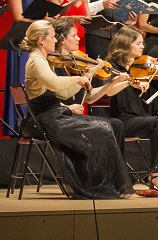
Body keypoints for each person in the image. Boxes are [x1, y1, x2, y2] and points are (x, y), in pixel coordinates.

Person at [21, 20, 133, 199]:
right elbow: (56, 83)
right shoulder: (36, 61)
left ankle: (106, 183)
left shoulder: (43, 60)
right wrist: (77, 79)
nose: (54, 40)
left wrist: (87, 75)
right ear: (41, 40)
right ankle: (96, 184)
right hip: (46, 120)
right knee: (102, 129)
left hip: (55, 115)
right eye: (52, 37)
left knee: (106, 126)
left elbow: (64, 93)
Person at [105, 26, 158, 190]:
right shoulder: (114, 67)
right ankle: (156, 174)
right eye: (138, 43)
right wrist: (129, 80)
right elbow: (108, 91)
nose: (143, 47)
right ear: (126, 44)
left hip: (144, 118)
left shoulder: (146, 67)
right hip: (125, 119)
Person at [51, 17, 128, 151]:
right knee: (105, 127)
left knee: (116, 124)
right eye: (74, 35)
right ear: (62, 39)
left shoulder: (75, 64)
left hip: (74, 118)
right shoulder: (52, 64)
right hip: (61, 118)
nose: (79, 39)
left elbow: (89, 98)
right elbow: (50, 97)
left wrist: (110, 84)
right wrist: (68, 107)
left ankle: (114, 169)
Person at [4, 0, 46, 132]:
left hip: (38, 41)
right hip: (21, 41)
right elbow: (18, 18)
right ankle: (18, 124)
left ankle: (37, 123)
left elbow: (47, 14)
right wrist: (39, 19)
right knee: (21, 80)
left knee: (38, 81)